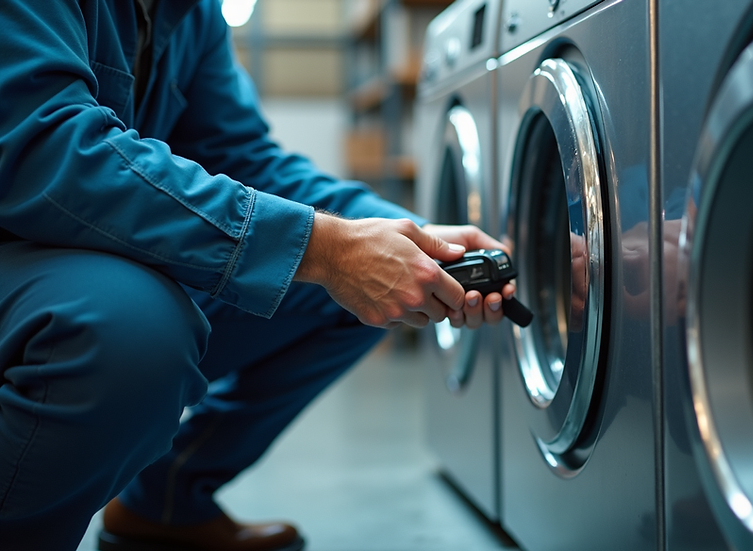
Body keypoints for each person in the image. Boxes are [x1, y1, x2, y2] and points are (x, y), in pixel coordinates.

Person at [0, 1, 515, 549]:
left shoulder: (189, 13)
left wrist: (415, 238)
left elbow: (246, 160)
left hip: (84, 256)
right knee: (130, 327)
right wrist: (323, 249)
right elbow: (47, 147)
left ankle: (167, 503)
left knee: (351, 286)